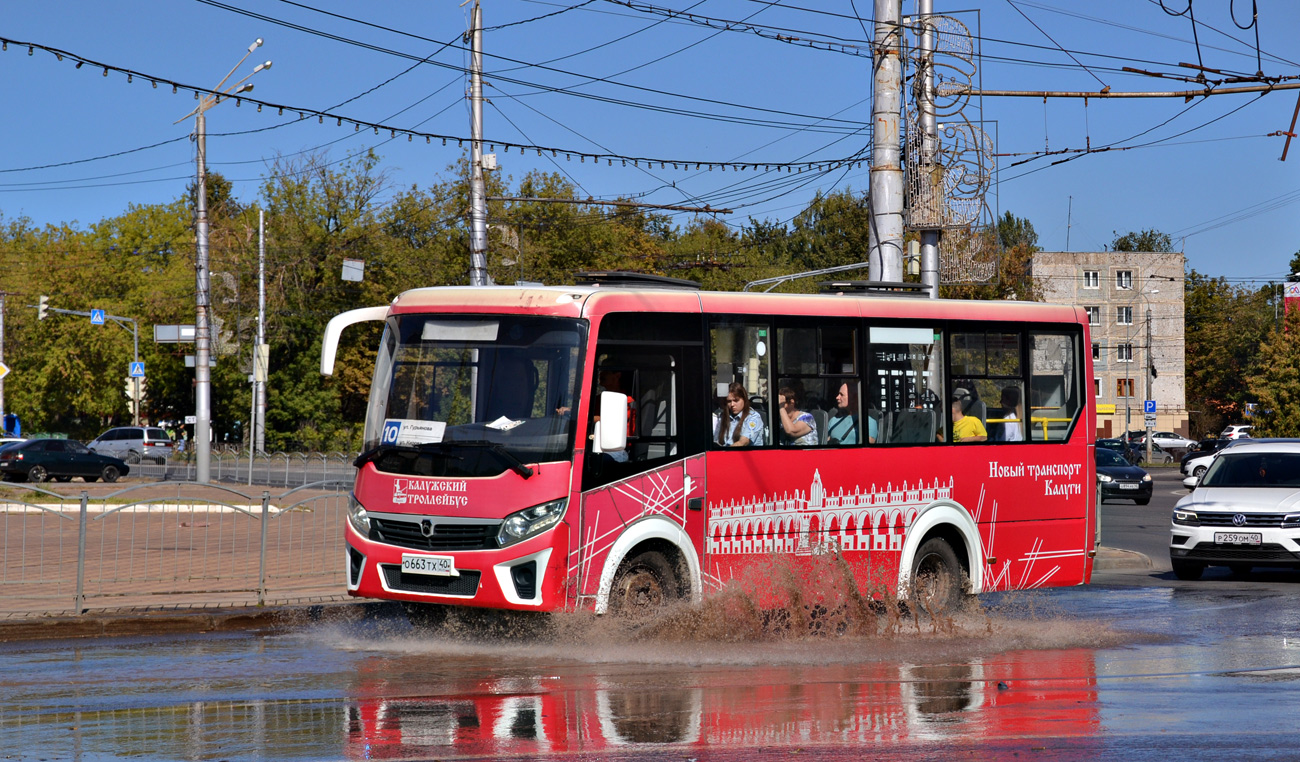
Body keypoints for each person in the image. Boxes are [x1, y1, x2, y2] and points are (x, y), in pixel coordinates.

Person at [714, 382, 764, 447]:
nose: (732, 405)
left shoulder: (753, 417)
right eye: (729, 401)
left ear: (744, 399)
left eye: (736, 400)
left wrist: (725, 453)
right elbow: (716, 441)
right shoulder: (723, 417)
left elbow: (743, 442)